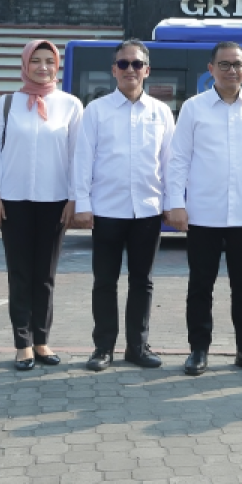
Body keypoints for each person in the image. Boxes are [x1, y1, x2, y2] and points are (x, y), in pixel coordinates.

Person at [168, 41, 242, 376]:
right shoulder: (193, 108)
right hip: (203, 212)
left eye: (238, 65)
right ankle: (198, 349)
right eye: (225, 64)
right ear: (211, 68)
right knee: (201, 285)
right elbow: (178, 159)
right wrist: (176, 203)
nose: (232, 70)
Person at [72, 39, 175, 372]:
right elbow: (82, 161)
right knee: (105, 281)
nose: (130, 69)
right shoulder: (96, 111)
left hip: (147, 209)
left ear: (147, 70)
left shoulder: (161, 112)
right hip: (106, 210)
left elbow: (170, 163)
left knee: (142, 282)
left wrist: (173, 203)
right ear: (113, 70)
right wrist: (83, 204)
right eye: (123, 64)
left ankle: (137, 346)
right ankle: (103, 348)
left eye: (136, 64)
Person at [0, 40, 82, 370]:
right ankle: (22, 342)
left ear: (57, 66)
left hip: (55, 202)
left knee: (45, 275)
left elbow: (77, 156)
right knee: (20, 273)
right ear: (25, 64)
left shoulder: (70, 105)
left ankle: (42, 340)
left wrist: (74, 198)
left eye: (49, 62)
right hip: (14, 200)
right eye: (35, 61)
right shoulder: (7, 103)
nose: (42, 67)